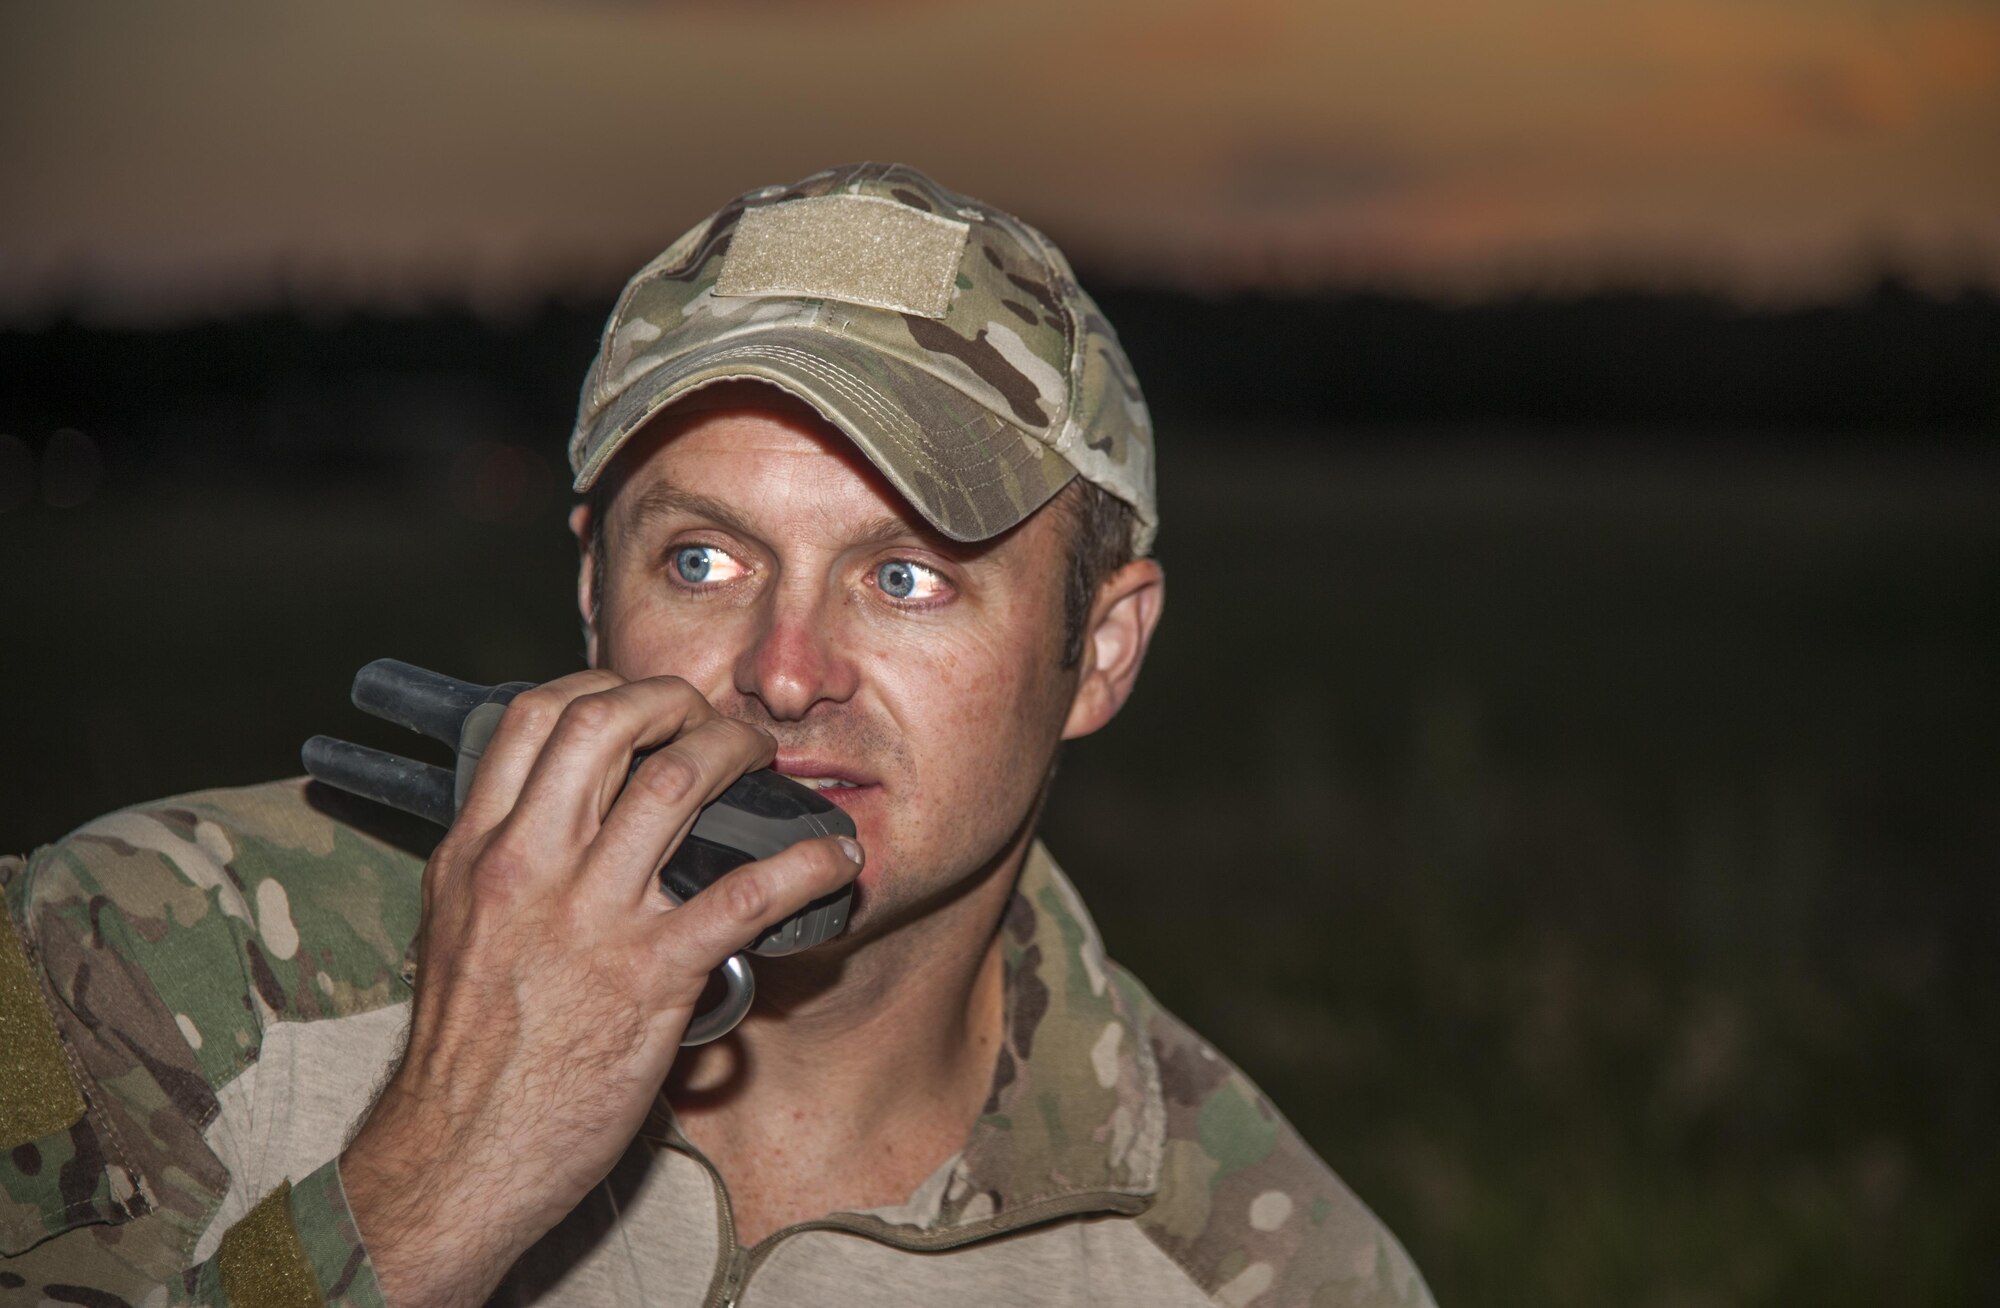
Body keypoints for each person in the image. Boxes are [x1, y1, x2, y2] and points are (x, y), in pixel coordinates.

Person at [0, 163, 1434, 1307]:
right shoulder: (136, 954)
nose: (786, 673)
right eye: (703, 561)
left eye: (908, 576)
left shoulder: (1254, 1266)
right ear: (590, 592)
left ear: (1097, 652)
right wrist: (436, 1181)